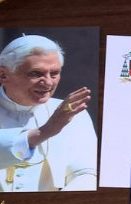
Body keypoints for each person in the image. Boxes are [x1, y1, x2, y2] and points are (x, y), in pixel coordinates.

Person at [0, 34, 97, 191]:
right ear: (3, 75)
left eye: (54, 73)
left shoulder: (72, 112)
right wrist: (45, 131)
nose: (48, 82)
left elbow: (86, 174)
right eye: (36, 73)